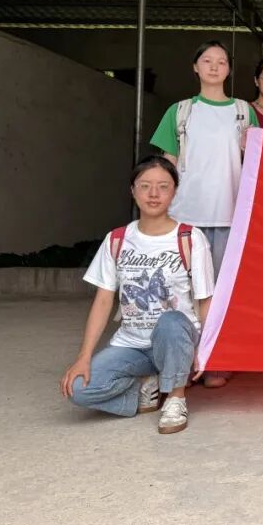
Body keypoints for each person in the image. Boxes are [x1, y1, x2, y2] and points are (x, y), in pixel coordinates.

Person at [60, 156, 214, 435]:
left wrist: (207, 350)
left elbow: (205, 300)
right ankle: (145, 387)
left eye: (163, 186)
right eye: (145, 186)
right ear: (133, 191)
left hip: (177, 341)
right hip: (132, 344)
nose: (153, 194)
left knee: (170, 321)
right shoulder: (117, 239)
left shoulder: (190, 239)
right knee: (78, 390)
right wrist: (84, 356)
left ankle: (175, 398)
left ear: (174, 192)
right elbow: (103, 300)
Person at [150, 40, 256, 389]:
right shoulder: (180, 111)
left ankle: (215, 361)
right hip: (186, 215)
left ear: (229, 69)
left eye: (221, 61)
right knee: (182, 292)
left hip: (230, 215)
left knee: (222, 293)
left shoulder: (243, 111)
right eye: (207, 61)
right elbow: (166, 164)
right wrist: (159, 209)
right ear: (195, 67)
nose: (214, 66)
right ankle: (182, 360)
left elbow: (256, 162)